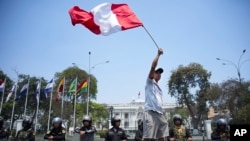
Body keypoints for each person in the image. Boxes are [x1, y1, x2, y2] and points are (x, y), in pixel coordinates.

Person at [143, 48, 167, 141]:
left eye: (160, 73)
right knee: (148, 137)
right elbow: (153, 66)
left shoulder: (159, 87)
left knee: (162, 137)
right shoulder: (150, 82)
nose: (159, 74)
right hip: (150, 112)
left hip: (160, 113)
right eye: (157, 72)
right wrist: (158, 55)